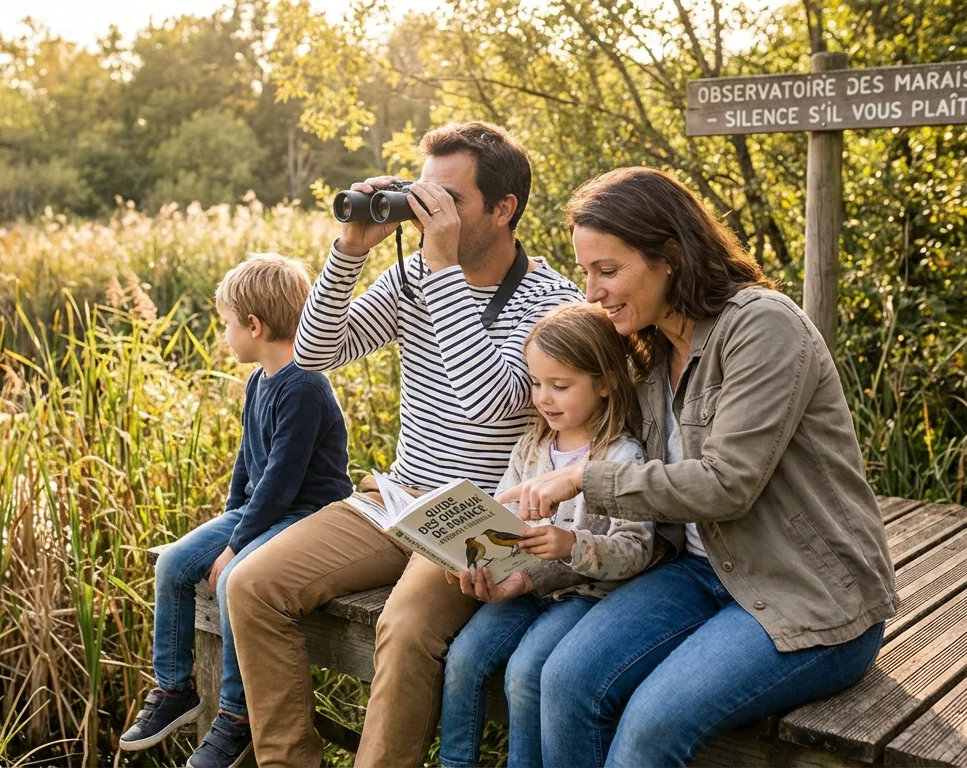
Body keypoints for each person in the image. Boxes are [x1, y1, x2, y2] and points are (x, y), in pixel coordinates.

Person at [500, 167, 898, 767]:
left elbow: (725, 484)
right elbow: (633, 533)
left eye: (608, 271)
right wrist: (529, 572)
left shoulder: (762, 325)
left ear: (672, 259)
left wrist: (582, 477)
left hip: (807, 597)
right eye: (587, 273)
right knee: (564, 681)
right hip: (696, 573)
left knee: (651, 725)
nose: (592, 292)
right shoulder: (650, 349)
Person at [225, 122, 585, 768]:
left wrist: (443, 269)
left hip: (478, 515)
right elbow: (315, 352)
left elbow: (490, 403)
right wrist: (351, 249)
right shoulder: (415, 274)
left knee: (405, 627)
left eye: (448, 199)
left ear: (503, 210)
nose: (428, 213)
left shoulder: (551, 300)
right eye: (423, 194)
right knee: (252, 585)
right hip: (396, 498)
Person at [117, 254, 353, 768]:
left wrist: (235, 546)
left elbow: (282, 483)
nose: (224, 333)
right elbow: (248, 470)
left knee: (232, 580)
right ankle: (176, 689)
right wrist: (225, 527)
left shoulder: (305, 385)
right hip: (263, 509)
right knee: (175, 563)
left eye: (227, 322)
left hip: (310, 515)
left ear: (254, 325)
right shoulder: (259, 381)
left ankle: (235, 714)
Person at [437, 302, 670, 768]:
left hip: (585, 597)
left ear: (604, 383)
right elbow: (501, 516)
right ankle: (455, 762)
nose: (544, 398)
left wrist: (571, 546)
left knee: (526, 674)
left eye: (560, 386)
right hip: (524, 588)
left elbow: (635, 550)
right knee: (463, 657)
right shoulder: (532, 446)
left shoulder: (621, 456)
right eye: (537, 383)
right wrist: (475, 558)